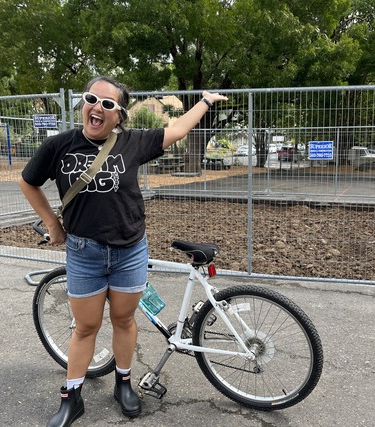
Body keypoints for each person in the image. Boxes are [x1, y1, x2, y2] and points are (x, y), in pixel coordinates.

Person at [19, 75, 228, 427]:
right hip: (84, 253)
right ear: (82, 104)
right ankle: (72, 398)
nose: (97, 107)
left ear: (119, 116)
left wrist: (205, 101)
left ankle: (124, 383)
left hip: (129, 251)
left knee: (124, 320)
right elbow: (28, 182)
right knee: (85, 328)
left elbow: (176, 130)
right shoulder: (58, 146)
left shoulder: (132, 143)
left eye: (108, 104)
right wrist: (52, 224)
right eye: (91, 99)